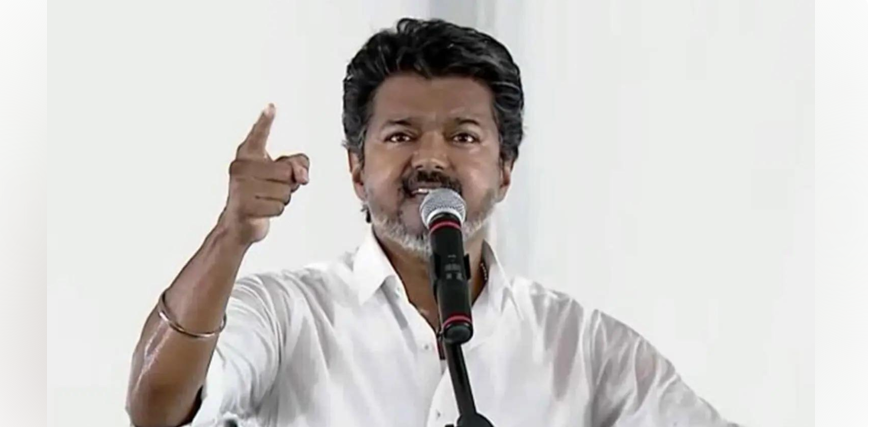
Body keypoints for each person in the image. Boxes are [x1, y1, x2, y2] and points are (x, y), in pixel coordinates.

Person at [126, 18, 737, 427]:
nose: (432, 159)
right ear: (357, 169)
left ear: (505, 170)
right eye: (401, 135)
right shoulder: (287, 316)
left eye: (463, 136)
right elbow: (155, 409)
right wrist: (230, 235)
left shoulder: (582, 347)